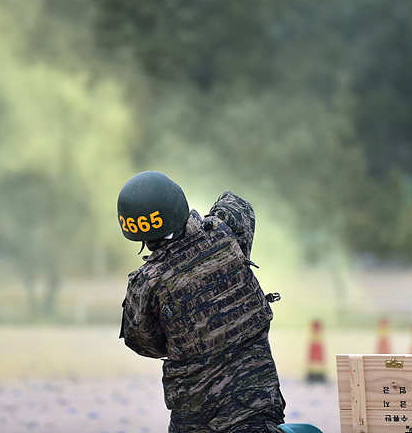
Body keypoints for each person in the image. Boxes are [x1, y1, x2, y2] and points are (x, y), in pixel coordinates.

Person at [118, 170, 286, 432]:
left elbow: (144, 342)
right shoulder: (224, 231)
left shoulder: (147, 282)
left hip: (195, 418)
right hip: (255, 406)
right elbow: (236, 205)